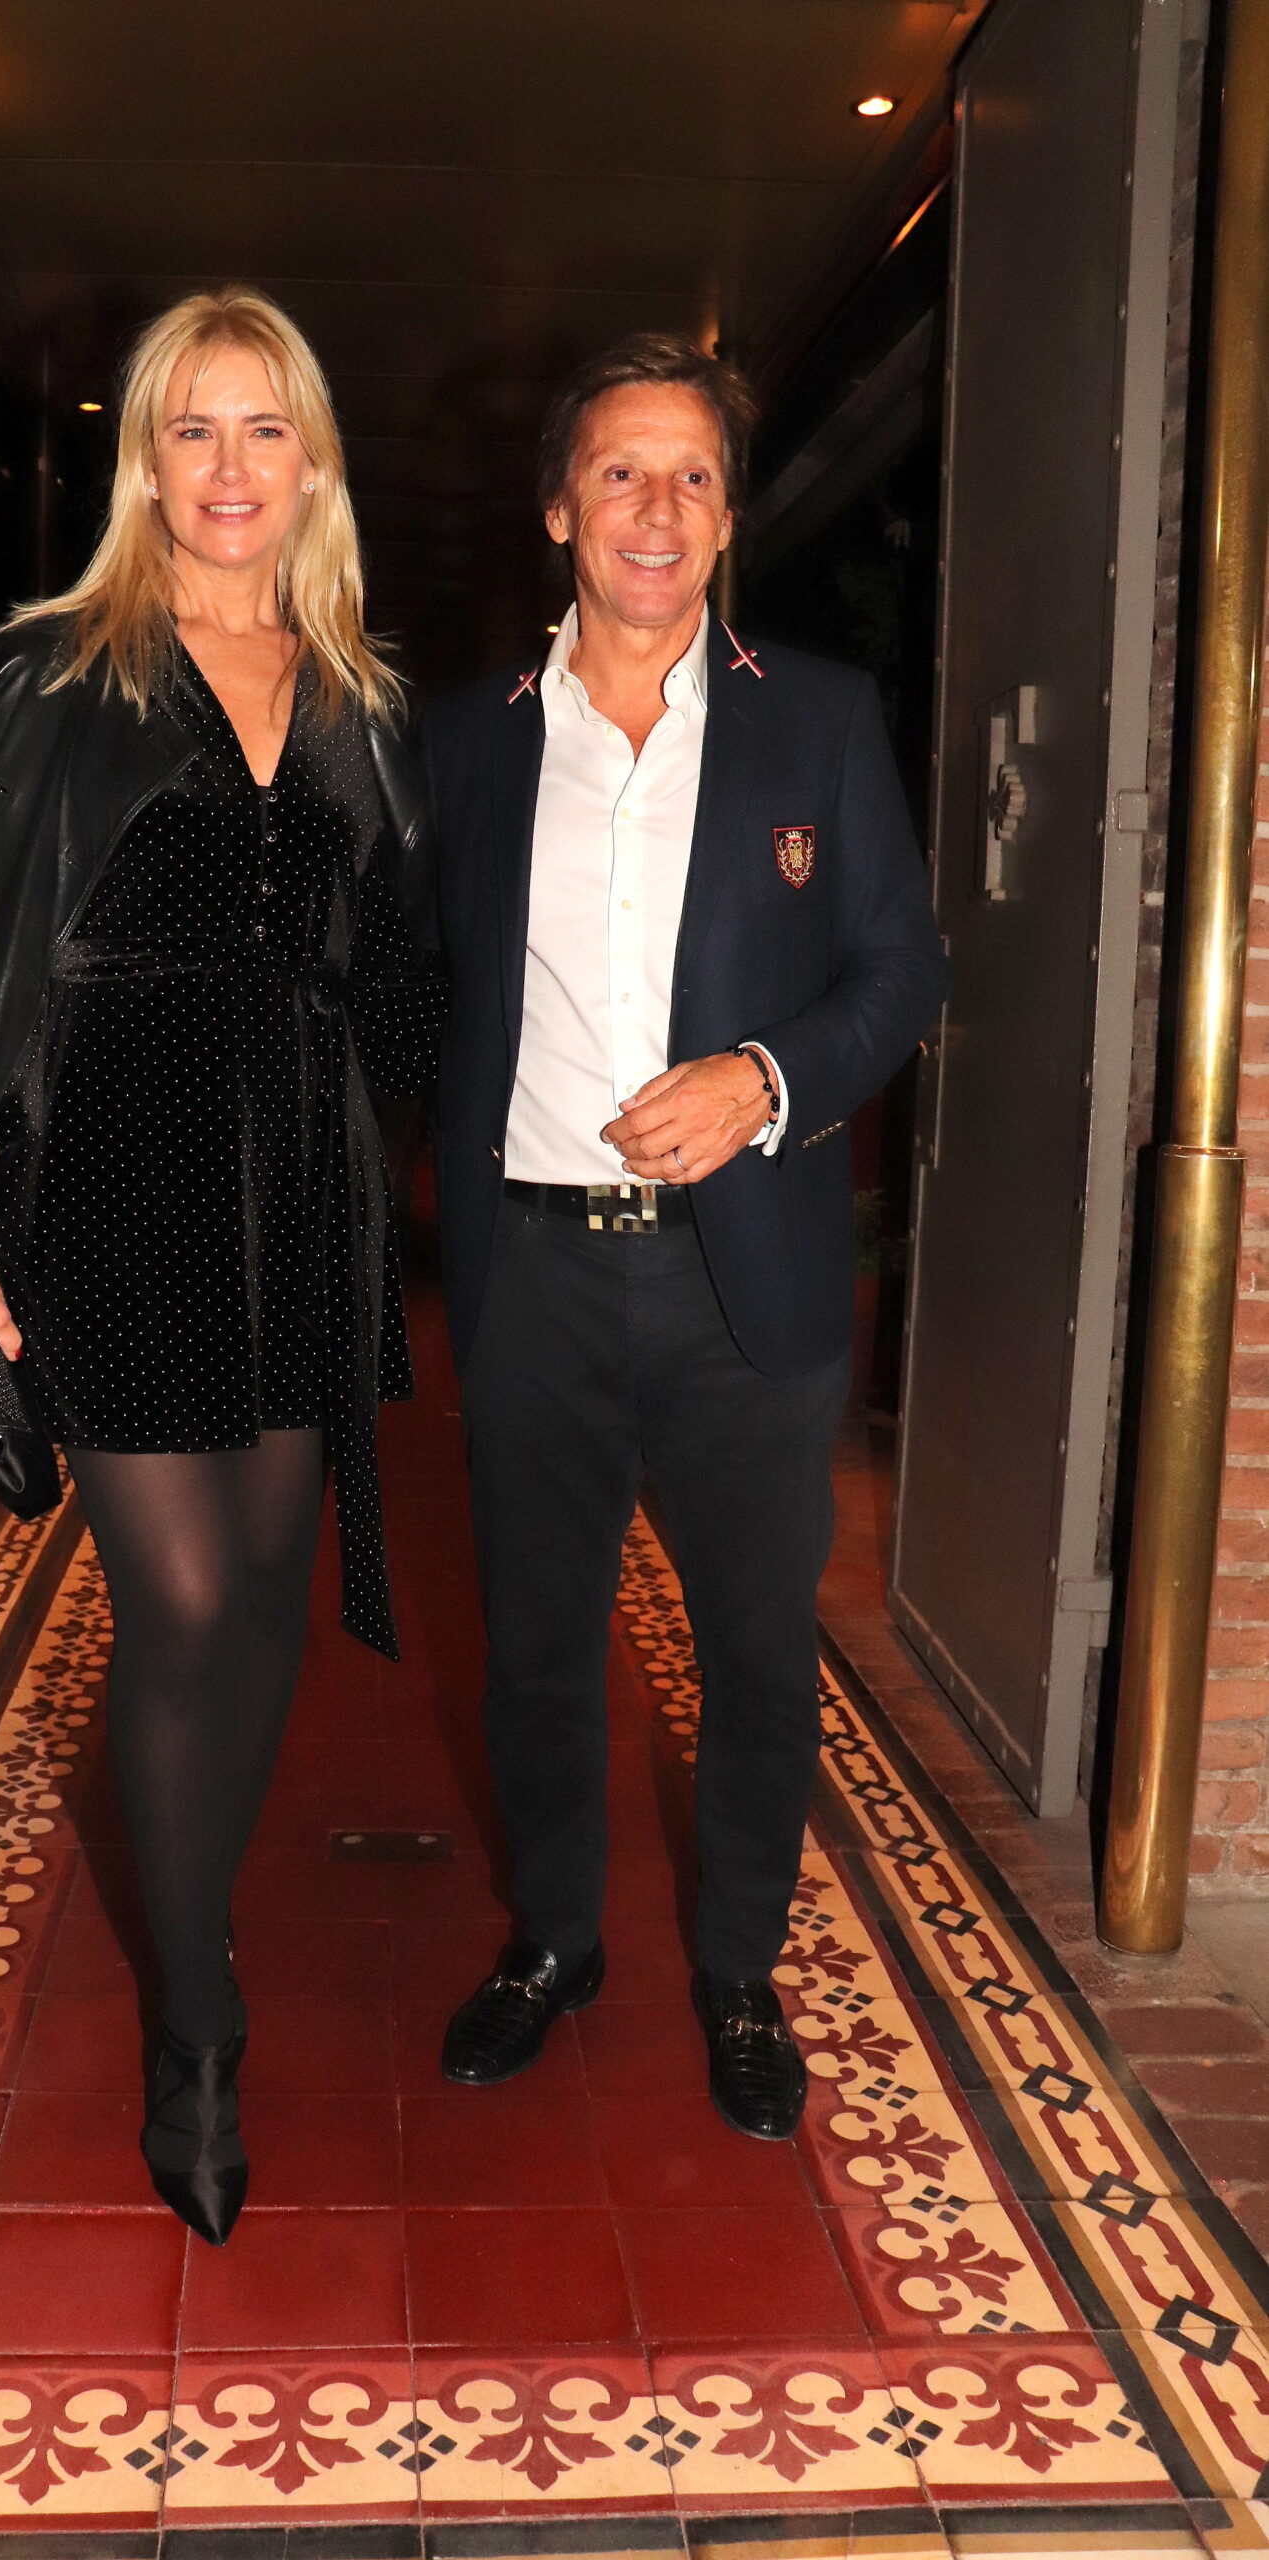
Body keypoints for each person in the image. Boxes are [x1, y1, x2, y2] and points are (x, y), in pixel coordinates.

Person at [0, 287, 444, 2243]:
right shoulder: (43, 676)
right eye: (190, 428)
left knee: (269, 1592)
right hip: (108, 1177)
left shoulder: (362, 695)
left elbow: (401, 970)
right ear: (143, 460)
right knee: (184, 1599)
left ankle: (197, 1912)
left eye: (263, 427)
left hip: (299, 1192)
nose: (226, 467)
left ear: (313, 463)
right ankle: (196, 2018)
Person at [423, 333, 947, 2139]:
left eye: (695, 477)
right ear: (560, 508)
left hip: (753, 1282)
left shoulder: (820, 717)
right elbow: (409, 989)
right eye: (622, 473)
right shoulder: (469, 742)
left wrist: (764, 1079)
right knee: (536, 1653)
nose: (658, 509)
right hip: (536, 1275)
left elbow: (904, 971)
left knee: (758, 1656)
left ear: (727, 521)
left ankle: (737, 1970)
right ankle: (554, 1942)